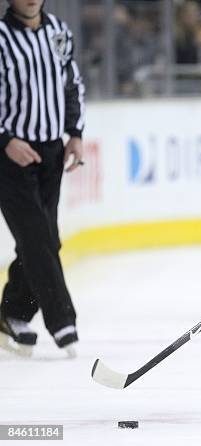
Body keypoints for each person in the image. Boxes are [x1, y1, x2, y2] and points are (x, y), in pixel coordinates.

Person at [0, 0, 85, 357]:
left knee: (46, 238)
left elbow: (72, 84)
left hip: (51, 151)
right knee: (38, 236)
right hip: (9, 155)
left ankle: (12, 313)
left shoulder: (58, 32)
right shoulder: (2, 38)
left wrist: (75, 133)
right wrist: (5, 139)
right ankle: (62, 321)